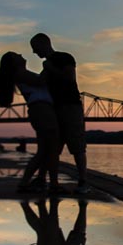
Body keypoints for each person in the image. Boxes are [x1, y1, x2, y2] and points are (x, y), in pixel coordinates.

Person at [30, 33, 90, 194]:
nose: (34, 52)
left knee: (77, 146)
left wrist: (50, 69)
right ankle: (44, 180)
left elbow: (69, 78)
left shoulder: (65, 58)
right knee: (53, 148)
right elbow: (39, 84)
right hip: (54, 110)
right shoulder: (46, 66)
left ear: (44, 44)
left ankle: (83, 182)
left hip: (71, 107)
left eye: (35, 48)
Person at [0, 51, 62, 194]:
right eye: (16, 54)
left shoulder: (21, 73)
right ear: (13, 61)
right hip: (42, 110)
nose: (20, 54)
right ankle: (51, 184)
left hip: (40, 110)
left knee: (45, 150)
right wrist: (47, 65)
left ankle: (31, 182)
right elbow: (41, 81)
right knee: (50, 149)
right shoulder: (20, 73)